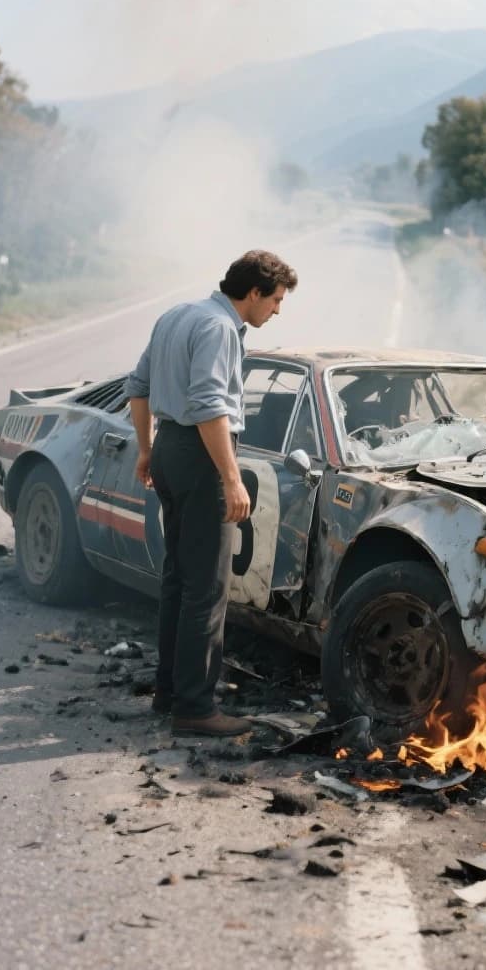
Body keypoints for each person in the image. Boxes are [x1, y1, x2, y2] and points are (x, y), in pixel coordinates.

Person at [125, 250, 298, 736]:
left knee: (178, 577)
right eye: (277, 300)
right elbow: (208, 406)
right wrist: (230, 476)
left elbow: (137, 387)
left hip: (168, 449)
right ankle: (196, 710)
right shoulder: (220, 329)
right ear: (255, 292)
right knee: (207, 586)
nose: (278, 311)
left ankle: (169, 692)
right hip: (202, 457)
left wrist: (145, 450)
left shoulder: (177, 315)